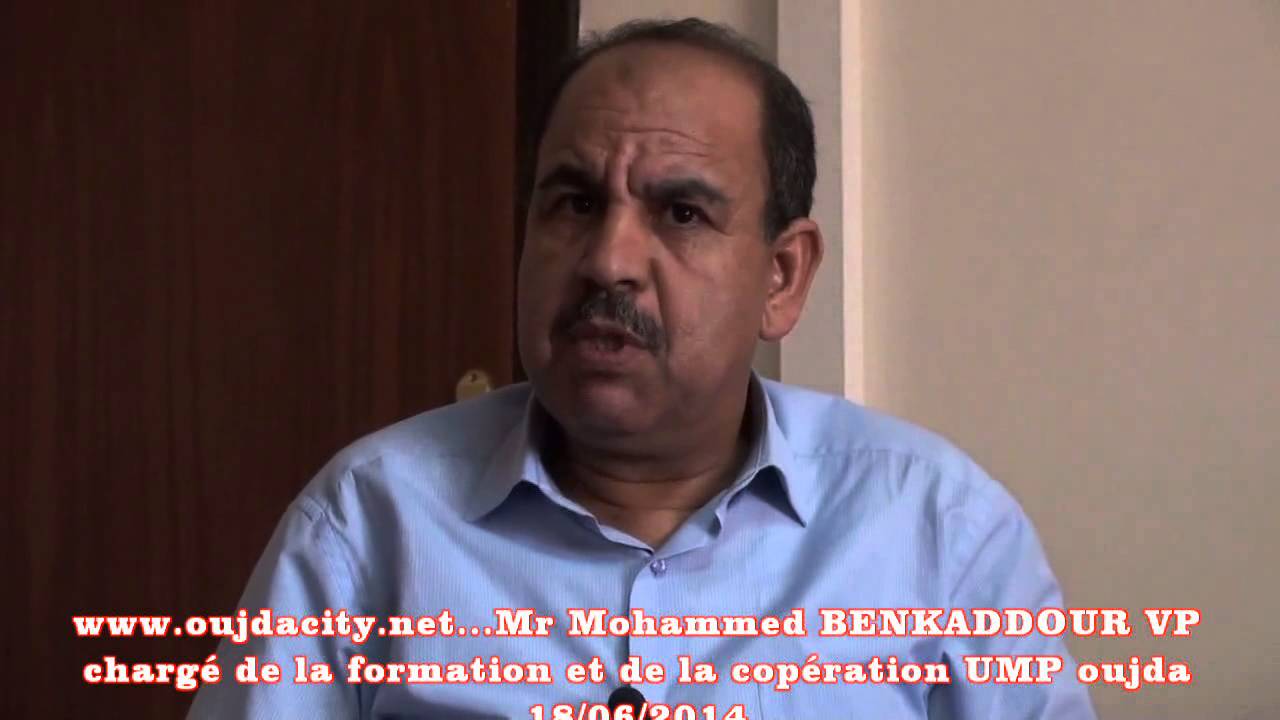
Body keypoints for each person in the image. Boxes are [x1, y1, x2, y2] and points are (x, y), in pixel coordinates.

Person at [189, 18, 1097, 719]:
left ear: (782, 277)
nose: (608, 261)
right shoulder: (368, 522)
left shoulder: (938, 531)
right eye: (574, 204)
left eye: (681, 214)